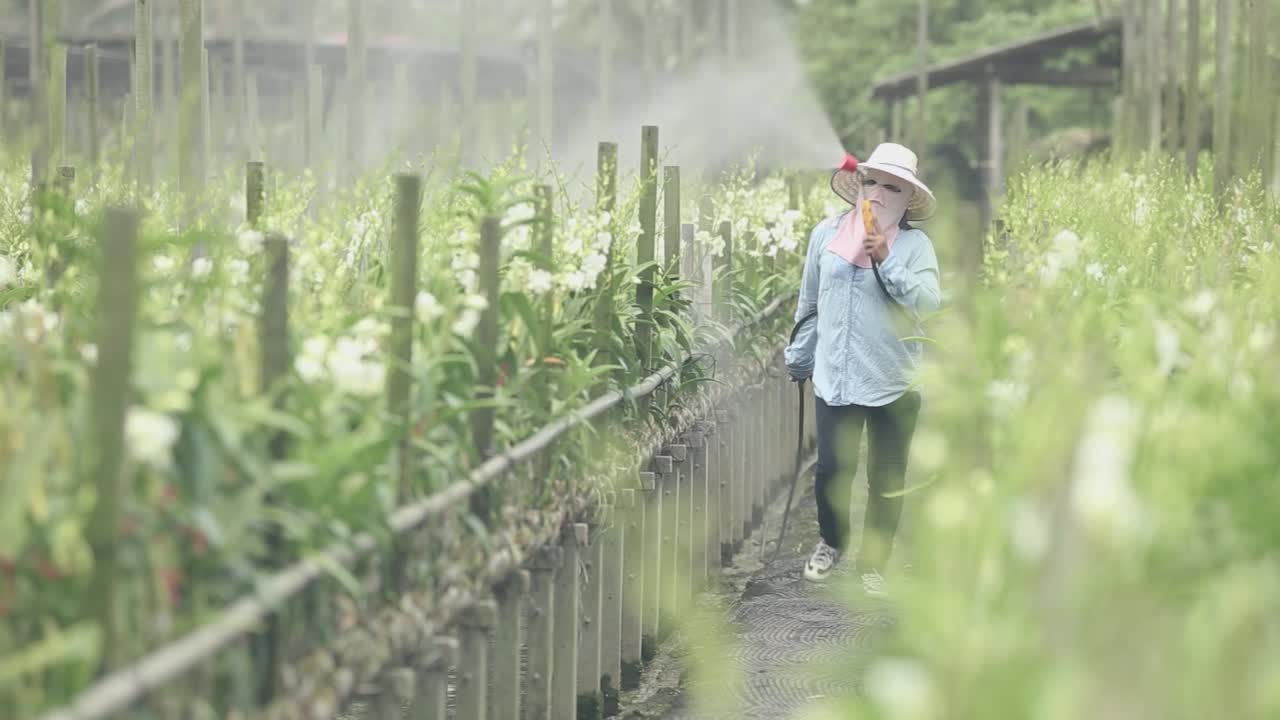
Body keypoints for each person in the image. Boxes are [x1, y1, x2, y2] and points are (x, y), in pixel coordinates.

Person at [783, 142, 942, 596]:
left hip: (894, 380)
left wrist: (886, 261)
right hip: (836, 374)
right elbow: (810, 303)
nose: (877, 195)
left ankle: (874, 564)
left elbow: (929, 304)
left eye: (892, 188)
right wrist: (799, 356)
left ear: (906, 198)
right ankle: (832, 542)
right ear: (859, 185)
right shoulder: (825, 236)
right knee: (832, 469)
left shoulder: (914, 246)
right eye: (872, 182)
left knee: (887, 476)